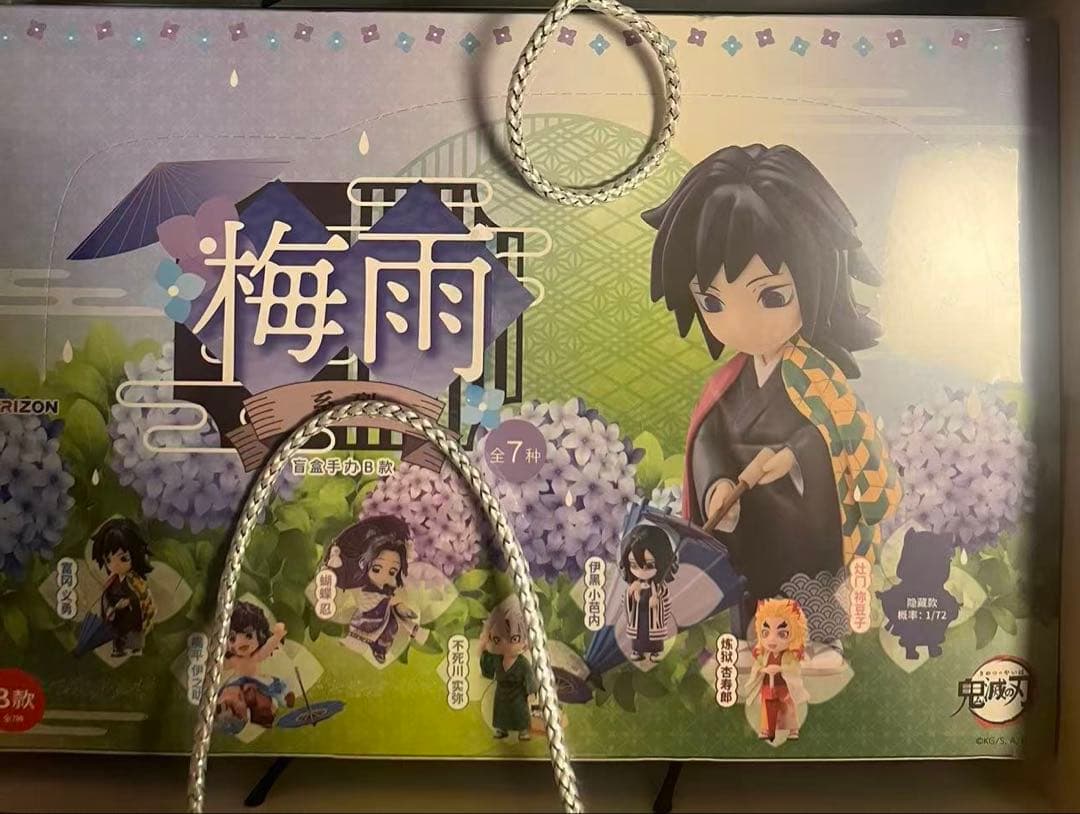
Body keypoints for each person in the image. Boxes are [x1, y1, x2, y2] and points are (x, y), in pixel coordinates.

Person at [643, 144, 901, 646]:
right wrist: (716, 483)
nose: (742, 323)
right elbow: (709, 437)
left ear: (814, 277)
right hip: (747, 533)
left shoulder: (821, 382)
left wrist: (795, 455)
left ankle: (821, 643)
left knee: (808, 625)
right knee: (750, 616)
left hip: (803, 531)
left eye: (772, 296)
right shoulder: (726, 384)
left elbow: (843, 442)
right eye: (712, 301)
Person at [327, 516, 417, 663]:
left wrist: (397, 606)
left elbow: (391, 601)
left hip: (381, 617)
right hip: (367, 616)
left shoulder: (387, 588)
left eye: (392, 572)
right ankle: (364, 643)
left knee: (391, 626)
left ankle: (380, 647)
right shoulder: (363, 586)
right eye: (376, 569)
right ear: (365, 564)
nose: (384, 576)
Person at [216, 601, 294, 731]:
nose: (240, 643)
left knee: (271, 684)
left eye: (248, 635)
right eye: (232, 639)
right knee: (230, 691)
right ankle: (229, 707)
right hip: (237, 682)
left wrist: (277, 636)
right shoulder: (233, 660)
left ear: (260, 634)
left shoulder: (255, 656)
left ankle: (283, 698)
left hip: (255, 680)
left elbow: (267, 647)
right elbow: (219, 665)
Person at [745, 598, 809, 742]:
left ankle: (792, 729)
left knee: (788, 707)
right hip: (768, 684)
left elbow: (794, 669)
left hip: (784, 686)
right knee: (766, 707)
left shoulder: (788, 655)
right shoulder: (764, 654)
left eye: (782, 634)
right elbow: (757, 666)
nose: (772, 640)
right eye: (766, 633)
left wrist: (780, 668)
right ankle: (766, 728)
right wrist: (763, 670)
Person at [90, 518, 156, 657]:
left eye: (123, 558)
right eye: (108, 560)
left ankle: (136, 649)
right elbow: (107, 595)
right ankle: (118, 648)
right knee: (116, 630)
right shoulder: (112, 580)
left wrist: (129, 601)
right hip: (117, 614)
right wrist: (109, 608)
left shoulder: (135, 581)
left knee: (132, 632)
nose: (115, 565)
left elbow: (141, 597)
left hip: (132, 613)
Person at [479, 599, 537, 741]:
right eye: (498, 639)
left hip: (518, 693)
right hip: (502, 692)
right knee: (501, 712)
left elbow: (529, 676)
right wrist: (484, 650)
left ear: (525, 644)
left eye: (514, 639)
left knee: (519, 712)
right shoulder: (497, 659)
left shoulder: (523, 663)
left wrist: (531, 692)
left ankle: (523, 730)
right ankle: (501, 729)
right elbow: (488, 668)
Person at [619, 524, 678, 662]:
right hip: (638, 618)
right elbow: (625, 605)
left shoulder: (659, 589)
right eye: (634, 565)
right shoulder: (634, 585)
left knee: (654, 639)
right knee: (639, 637)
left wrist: (658, 603)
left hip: (653, 619)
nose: (641, 572)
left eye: (649, 566)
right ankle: (637, 650)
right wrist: (630, 595)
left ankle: (655, 652)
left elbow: (667, 604)